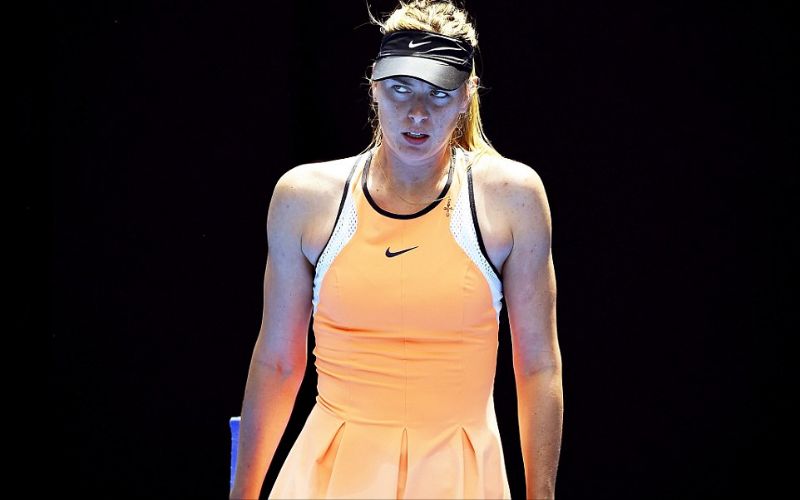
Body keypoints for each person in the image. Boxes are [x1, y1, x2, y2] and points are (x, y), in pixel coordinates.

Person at [229, 1, 563, 498]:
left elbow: (537, 367)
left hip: (459, 478)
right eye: (401, 87)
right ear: (374, 86)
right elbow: (277, 363)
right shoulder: (303, 198)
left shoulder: (514, 198)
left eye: (439, 93)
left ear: (467, 96)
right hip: (328, 479)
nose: (417, 113)